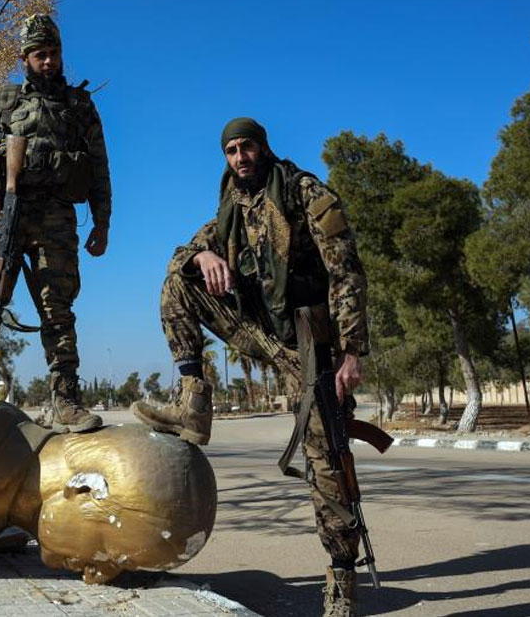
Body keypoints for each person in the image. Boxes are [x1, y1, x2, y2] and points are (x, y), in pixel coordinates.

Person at [131, 118, 369, 616]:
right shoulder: (230, 207)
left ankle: (342, 578)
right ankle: (195, 401)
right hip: (261, 333)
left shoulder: (305, 193)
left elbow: (346, 271)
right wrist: (201, 255)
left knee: (326, 466)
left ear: (264, 148)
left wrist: (352, 352)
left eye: (248, 147)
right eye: (232, 151)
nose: (241, 157)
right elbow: (179, 255)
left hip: (310, 343)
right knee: (177, 284)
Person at [0, 14, 111, 432]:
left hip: (56, 216)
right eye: (39, 55)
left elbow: (101, 168)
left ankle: (66, 398)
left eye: (53, 53)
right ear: (25, 59)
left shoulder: (79, 106)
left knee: (57, 308)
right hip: (6, 210)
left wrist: (101, 223)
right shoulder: (6, 101)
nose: (48, 62)